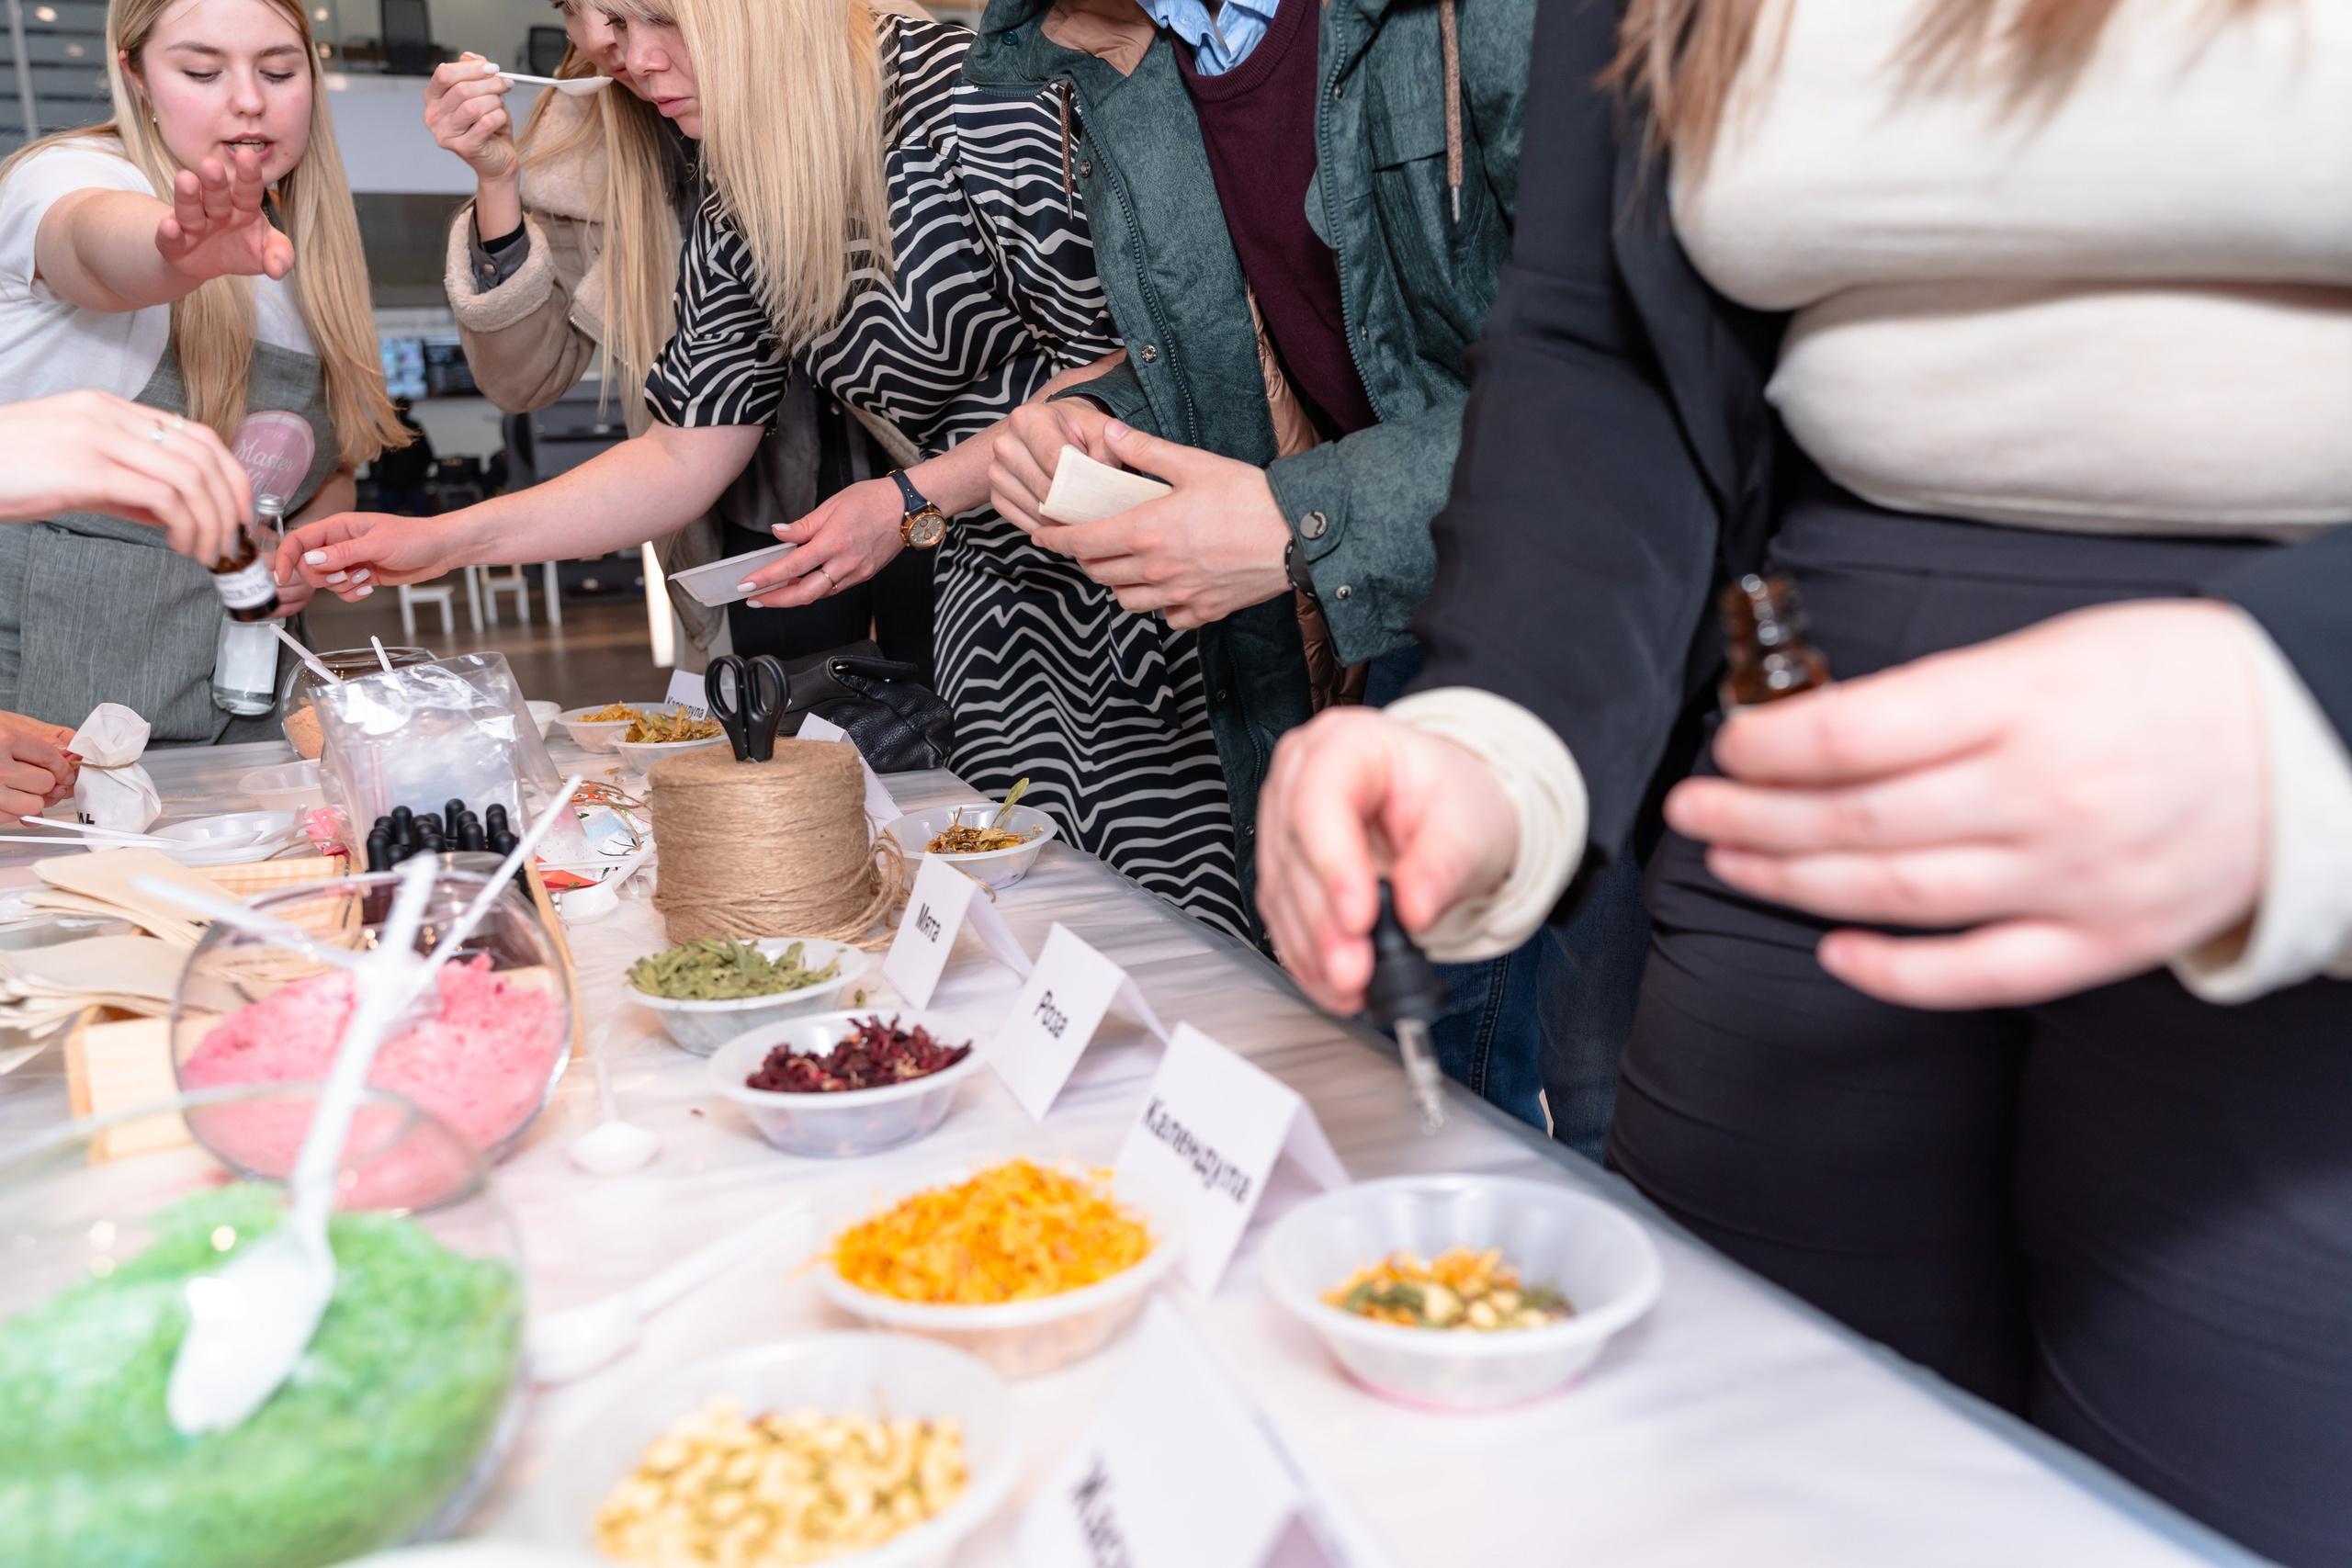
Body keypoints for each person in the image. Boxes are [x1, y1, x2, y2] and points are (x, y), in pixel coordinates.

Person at [1255, 0, 2352, 1561]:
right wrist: (1498, 727)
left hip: (2304, 777)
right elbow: (1604, 338)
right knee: (1731, 1493)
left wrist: (2308, 722)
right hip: (1801, 750)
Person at [284, 0, 1256, 939]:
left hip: (1155, 586)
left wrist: (915, 495)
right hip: (1000, 613)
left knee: (1188, 929)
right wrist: (445, 538)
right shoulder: (742, 186)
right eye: (609, 29)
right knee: (1032, 922)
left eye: (660, 20)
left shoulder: (976, 91)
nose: (628, 59)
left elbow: (1155, 355)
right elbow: (682, 451)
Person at [967, 0, 1647, 1139]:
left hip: (1633, 605)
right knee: (1414, 1080)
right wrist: (1089, 425)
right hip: (1419, 587)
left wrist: (1302, 519)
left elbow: (1632, 379)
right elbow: (1279, 352)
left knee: (1615, 1101)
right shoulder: (1130, 49)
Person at [421, 0, 935, 675]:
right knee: (806, 745)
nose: (622, 49)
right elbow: (541, 384)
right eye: (586, 12)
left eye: (655, 15)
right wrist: (497, 184)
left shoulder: (917, 79)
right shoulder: (601, 135)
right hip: (759, 514)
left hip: (944, 496)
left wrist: (950, 482)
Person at [0, 0, 404, 742]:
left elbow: (325, 467)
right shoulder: (66, 175)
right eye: (201, 70)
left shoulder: (302, 254)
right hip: (50, 728)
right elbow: (88, 241)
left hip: (247, 710)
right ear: (136, 75)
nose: (249, 99)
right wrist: (171, 253)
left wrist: (302, 549)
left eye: (279, 70)